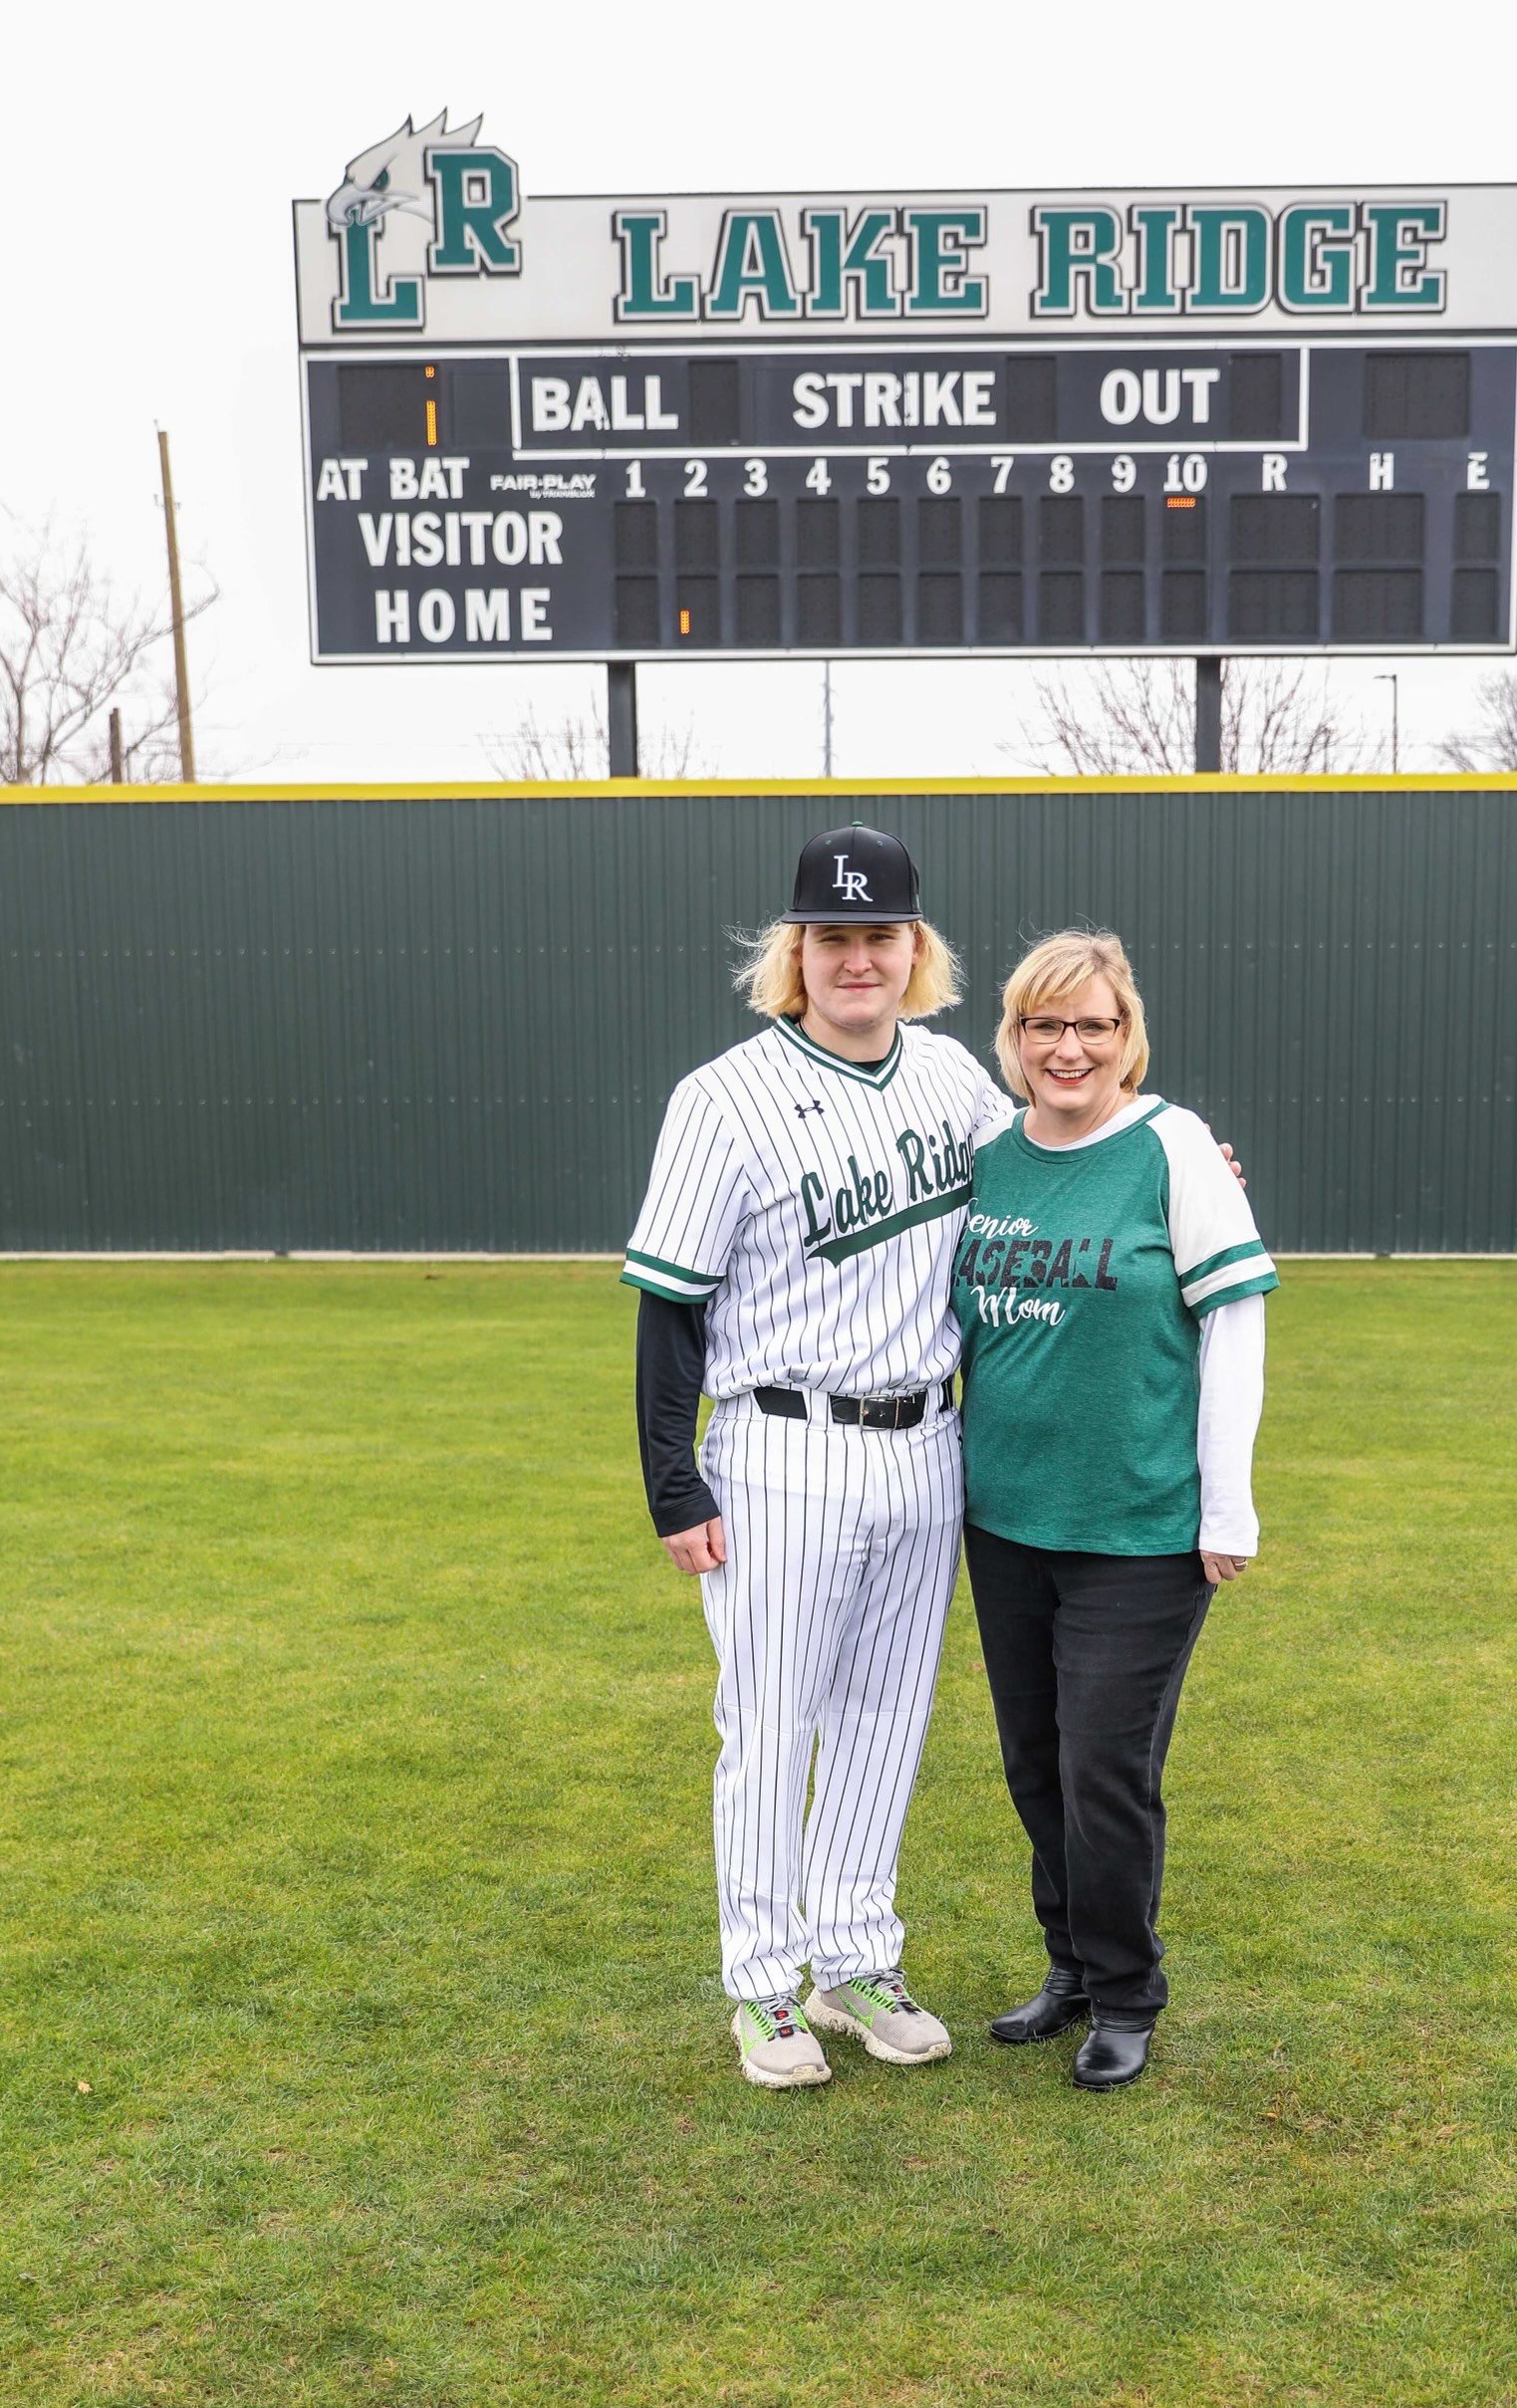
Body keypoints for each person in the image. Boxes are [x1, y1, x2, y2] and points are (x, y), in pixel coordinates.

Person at [623, 826, 1017, 2088]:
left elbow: (1065, 1170)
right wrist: (671, 1480)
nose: (858, 957)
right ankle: (763, 1989)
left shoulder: (956, 1079)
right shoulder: (720, 1096)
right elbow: (669, 1304)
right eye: (833, 937)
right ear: (794, 952)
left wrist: (1184, 1169)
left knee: (886, 1719)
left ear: (917, 948)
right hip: (780, 1447)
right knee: (771, 1724)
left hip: (923, 1443)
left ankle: (853, 1959)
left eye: (880, 935)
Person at [952, 930, 1278, 2090]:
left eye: (1092, 1024)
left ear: (1124, 1035)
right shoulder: (987, 1155)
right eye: (1046, 1025)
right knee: (1034, 1763)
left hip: (1136, 1527)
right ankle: (1070, 1969)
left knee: (1103, 1767)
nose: (1068, 1047)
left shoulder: (1172, 1146)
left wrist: (1224, 1507)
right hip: (1002, 1517)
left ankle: (1127, 1991)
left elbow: (1232, 1323)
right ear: (1016, 1038)